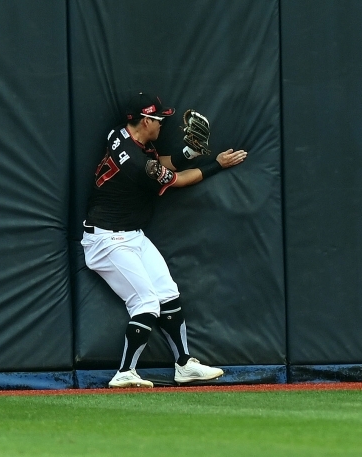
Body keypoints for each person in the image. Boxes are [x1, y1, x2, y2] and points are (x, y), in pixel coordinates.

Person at [81, 92, 247, 388]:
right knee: (145, 303)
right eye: (159, 119)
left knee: (167, 293)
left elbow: (160, 162)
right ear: (145, 120)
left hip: (130, 233)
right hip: (107, 240)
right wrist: (217, 164)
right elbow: (178, 179)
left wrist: (190, 152)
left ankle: (183, 365)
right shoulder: (138, 164)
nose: (163, 125)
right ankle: (125, 373)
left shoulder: (119, 135)